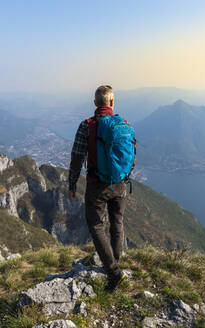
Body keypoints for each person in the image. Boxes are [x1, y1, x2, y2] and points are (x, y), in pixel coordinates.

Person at [68, 85, 129, 291]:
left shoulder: (87, 125)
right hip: (120, 183)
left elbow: (77, 158)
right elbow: (130, 156)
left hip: (97, 185)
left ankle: (113, 272)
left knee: (95, 225)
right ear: (112, 102)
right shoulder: (123, 124)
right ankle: (115, 262)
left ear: (95, 103)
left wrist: (72, 183)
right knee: (117, 222)